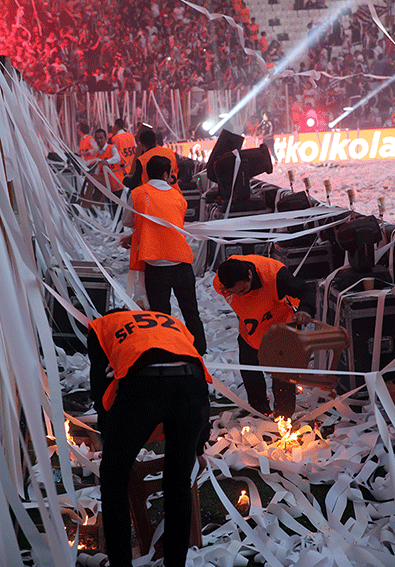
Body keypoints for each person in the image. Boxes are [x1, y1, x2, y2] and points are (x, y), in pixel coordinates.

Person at [88, 308, 211, 567]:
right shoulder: (170, 321)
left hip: (145, 385)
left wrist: (110, 434)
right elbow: (191, 359)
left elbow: (99, 383)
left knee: (113, 480)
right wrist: (200, 438)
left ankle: (121, 563)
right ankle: (175, 563)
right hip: (193, 387)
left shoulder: (101, 326)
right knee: (178, 484)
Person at [120, 155, 207, 355]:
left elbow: (128, 221)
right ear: (167, 174)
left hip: (155, 264)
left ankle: (165, 350)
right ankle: (199, 350)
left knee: (160, 314)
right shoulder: (178, 197)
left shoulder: (137, 193)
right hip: (181, 262)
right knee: (191, 312)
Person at [213, 255, 316, 417]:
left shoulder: (275, 276)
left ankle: (284, 418)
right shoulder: (222, 282)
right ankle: (259, 411)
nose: (239, 295)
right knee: (249, 370)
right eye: (234, 292)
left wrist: (305, 310)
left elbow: (305, 289)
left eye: (242, 290)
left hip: (280, 329)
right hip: (250, 331)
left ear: (249, 274)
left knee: (282, 375)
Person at [94, 128, 124, 195]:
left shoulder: (111, 148)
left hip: (118, 185)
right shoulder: (98, 154)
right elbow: (98, 170)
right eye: (97, 138)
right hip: (108, 188)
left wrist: (107, 161)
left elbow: (117, 158)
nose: (99, 140)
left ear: (105, 138)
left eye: (101, 138)